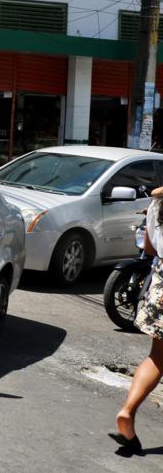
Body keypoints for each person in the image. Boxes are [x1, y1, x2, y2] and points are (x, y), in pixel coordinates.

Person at [112, 186, 163, 455]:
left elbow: (150, 248)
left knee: (157, 356)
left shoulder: (158, 203)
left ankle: (128, 411)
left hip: (161, 287)